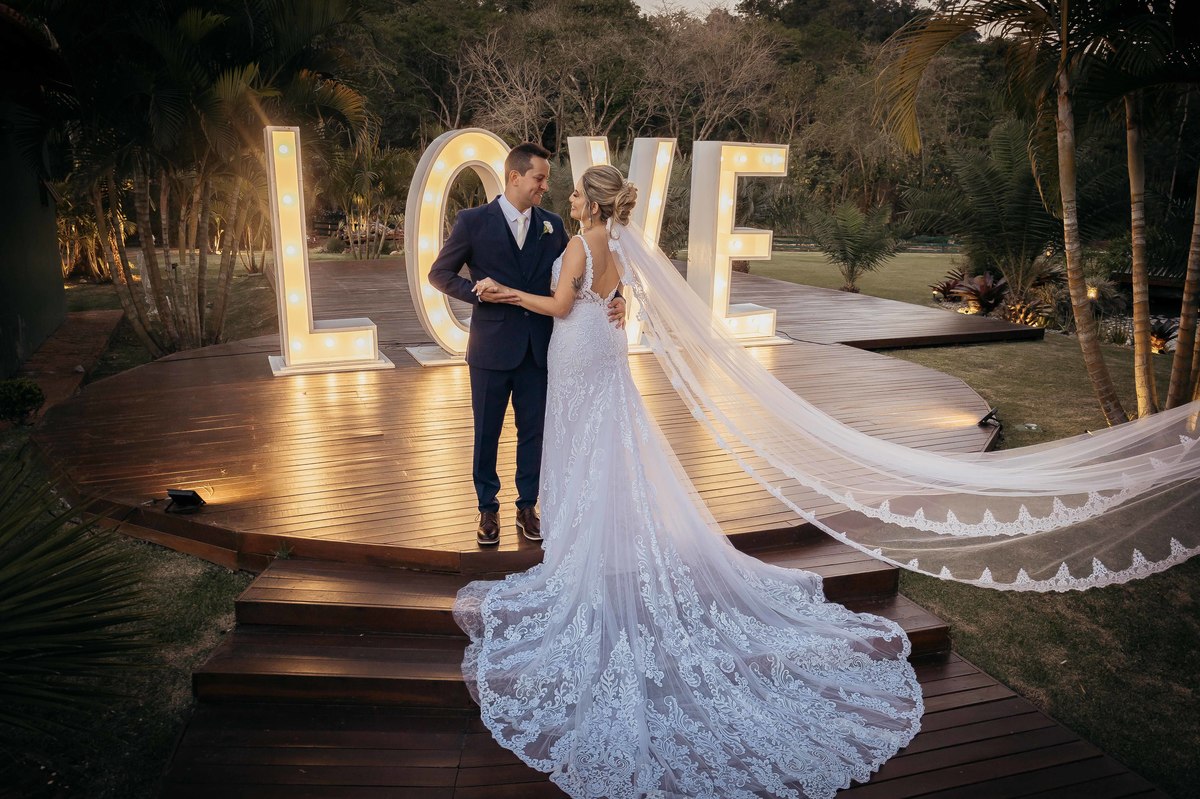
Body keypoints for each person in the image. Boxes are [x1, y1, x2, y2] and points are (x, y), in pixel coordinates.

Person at [455, 165, 923, 799]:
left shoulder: (576, 244)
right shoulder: (619, 245)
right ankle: (605, 540)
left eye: (572, 193)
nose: (562, 196)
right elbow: (614, 299)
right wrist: (611, 301)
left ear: (588, 203)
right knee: (608, 445)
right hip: (601, 353)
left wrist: (510, 296)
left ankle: (587, 551)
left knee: (581, 448)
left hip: (575, 350)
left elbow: (562, 305)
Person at [428, 143, 624, 547]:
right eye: (539, 178)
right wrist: (479, 294)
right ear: (514, 176)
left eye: (547, 179)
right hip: (491, 349)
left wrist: (618, 295)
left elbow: (587, 269)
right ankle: (487, 508)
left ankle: (527, 506)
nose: (544, 186)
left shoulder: (553, 225)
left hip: (541, 348)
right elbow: (439, 274)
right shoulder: (472, 221)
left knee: (533, 431)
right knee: (487, 431)